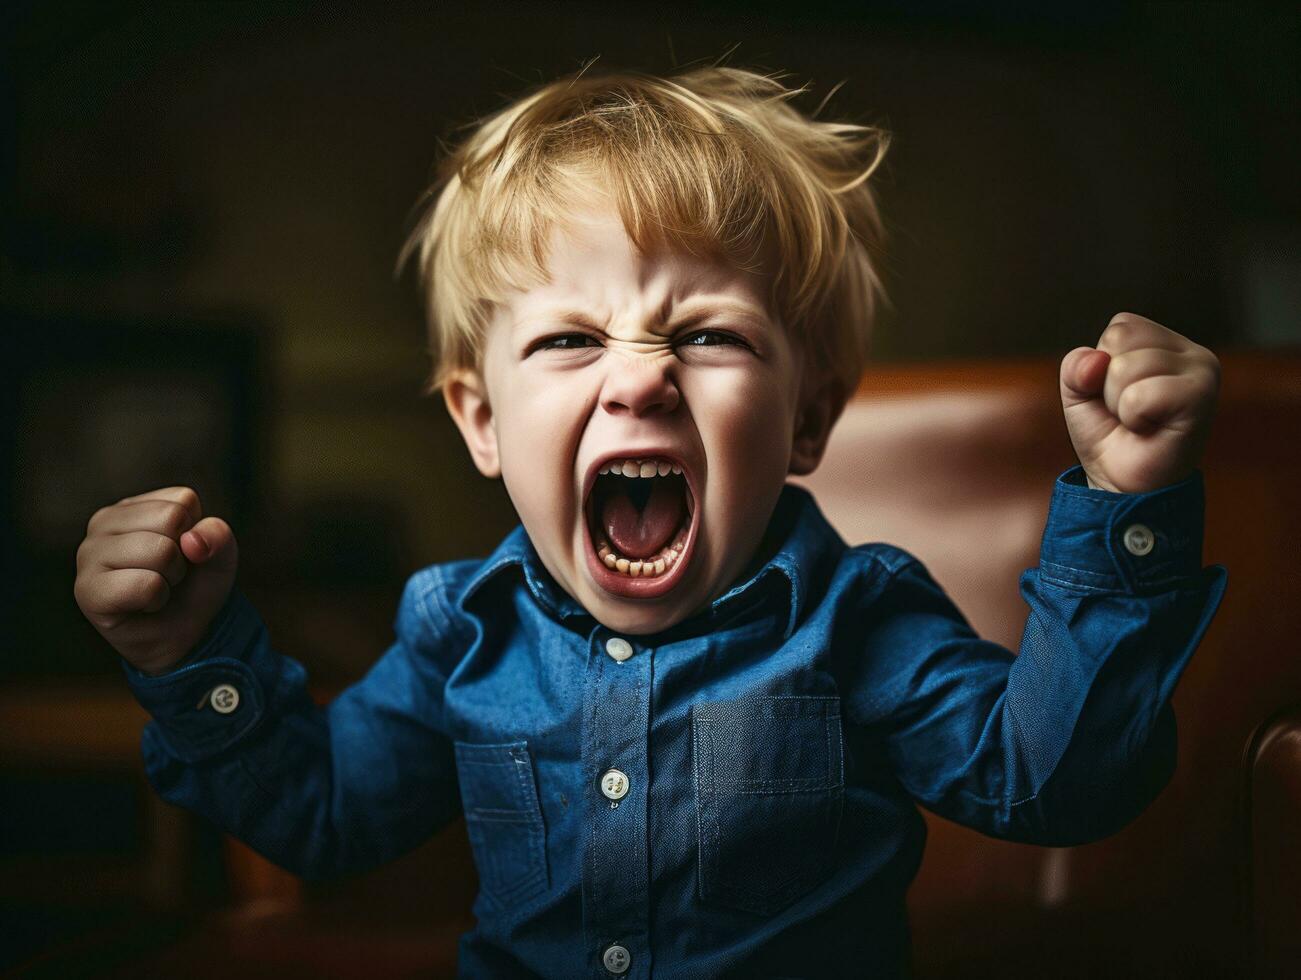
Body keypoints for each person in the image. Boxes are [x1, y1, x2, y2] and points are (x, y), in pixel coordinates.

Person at [73, 66, 1226, 978]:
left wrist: (1128, 510)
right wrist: (188, 657)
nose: (637, 379)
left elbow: (1054, 784)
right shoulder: (455, 629)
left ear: (806, 420)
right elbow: (322, 819)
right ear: (481, 420)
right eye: (568, 338)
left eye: (708, 334)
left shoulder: (859, 614)